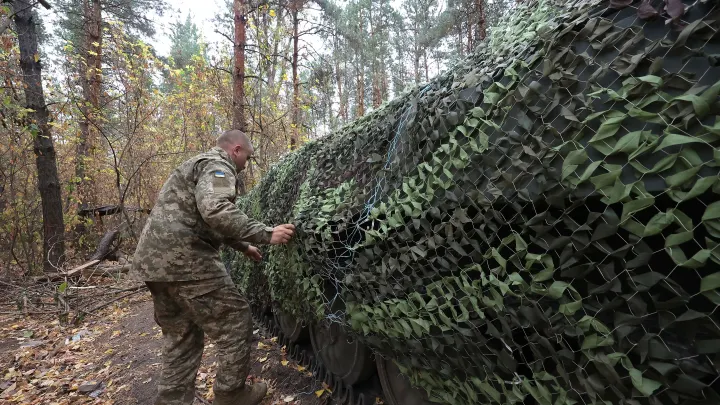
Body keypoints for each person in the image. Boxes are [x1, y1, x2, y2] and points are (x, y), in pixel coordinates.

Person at [131, 129, 295, 405]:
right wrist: (267, 234)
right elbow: (215, 210)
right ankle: (231, 395)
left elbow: (200, 216)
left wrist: (243, 246)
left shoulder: (196, 165)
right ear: (236, 150)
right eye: (248, 157)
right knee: (236, 320)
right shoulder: (218, 167)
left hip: (155, 266)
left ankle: (171, 401)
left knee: (181, 337)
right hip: (186, 262)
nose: (246, 164)